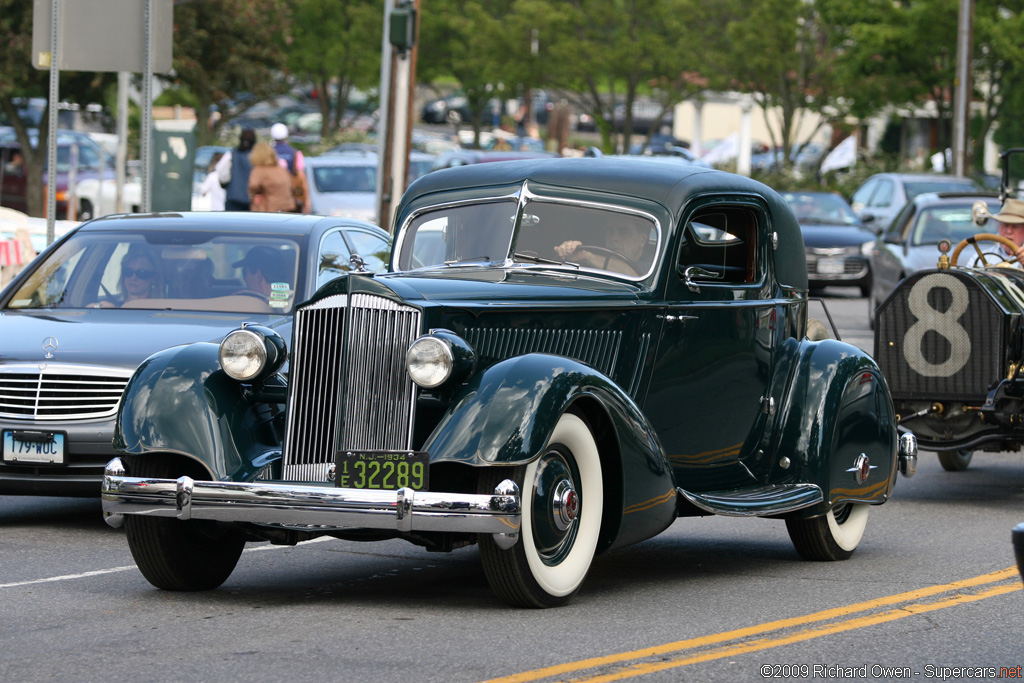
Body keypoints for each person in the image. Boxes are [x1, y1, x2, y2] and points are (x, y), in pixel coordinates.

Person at [553, 215, 652, 276]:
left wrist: (586, 256)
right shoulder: (595, 260)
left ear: (642, 240)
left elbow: (634, 274)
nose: (614, 238)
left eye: (624, 232)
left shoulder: (652, 267)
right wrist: (569, 250)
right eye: (610, 231)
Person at [92, 247, 162, 307]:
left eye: (141, 273)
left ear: (154, 278)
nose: (133, 278)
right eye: (128, 271)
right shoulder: (110, 305)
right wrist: (97, 307)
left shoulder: (161, 309)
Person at [270, 123, 310, 213]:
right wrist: (307, 200)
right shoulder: (295, 153)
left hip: (272, 197)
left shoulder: (269, 153)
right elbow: (301, 177)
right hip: (290, 197)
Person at [247, 142, 297, 213]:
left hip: (269, 208)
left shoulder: (258, 170)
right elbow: (292, 184)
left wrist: (257, 194)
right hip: (287, 207)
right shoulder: (282, 169)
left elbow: (253, 186)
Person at [215, 129, 256, 211]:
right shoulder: (256, 157)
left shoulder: (232, 154)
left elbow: (220, 171)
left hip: (233, 197)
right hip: (250, 199)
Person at [994, 197, 1024, 265]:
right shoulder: (979, 257)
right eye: (1005, 225)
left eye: (1015, 226)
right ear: (999, 227)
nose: (1009, 231)